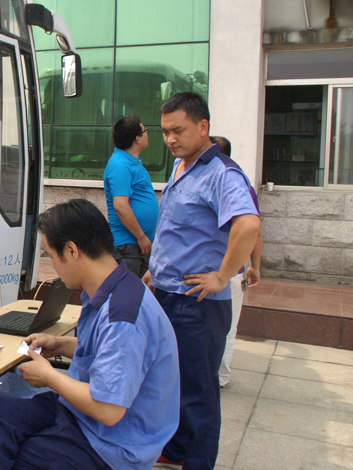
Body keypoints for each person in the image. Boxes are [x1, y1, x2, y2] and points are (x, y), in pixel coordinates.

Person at [0, 199, 180, 470]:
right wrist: (61, 344)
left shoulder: (123, 315)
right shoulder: (113, 285)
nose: (51, 264)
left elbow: (108, 410)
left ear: (72, 250)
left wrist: (48, 375)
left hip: (111, 443)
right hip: (79, 413)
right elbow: (109, 354)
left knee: (13, 456)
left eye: (50, 254)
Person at [145, 93, 261, 470]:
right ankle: (177, 449)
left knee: (199, 392)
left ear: (203, 127)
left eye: (177, 130)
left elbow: (248, 225)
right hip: (167, 293)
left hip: (196, 303)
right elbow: (179, 227)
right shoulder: (182, 166)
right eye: (164, 132)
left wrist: (222, 276)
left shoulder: (222, 173)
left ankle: (198, 461)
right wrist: (156, 267)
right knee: (172, 381)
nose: (170, 139)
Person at [209, 136, 263, 388]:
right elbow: (256, 232)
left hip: (220, 272)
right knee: (227, 326)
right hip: (223, 272)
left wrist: (253, 266)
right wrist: (255, 266)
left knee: (219, 327)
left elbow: (252, 229)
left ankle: (216, 375)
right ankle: (218, 376)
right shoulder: (239, 184)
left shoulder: (228, 183)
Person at [103, 115, 159, 277]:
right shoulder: (120, 165)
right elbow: (120, 206)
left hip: (139, 245)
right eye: (145, 131)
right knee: (126, 296)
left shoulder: (132, 162)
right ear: (137, 139)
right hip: (128, 246)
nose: (147, 134)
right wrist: (140, 236)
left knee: (140, 296)